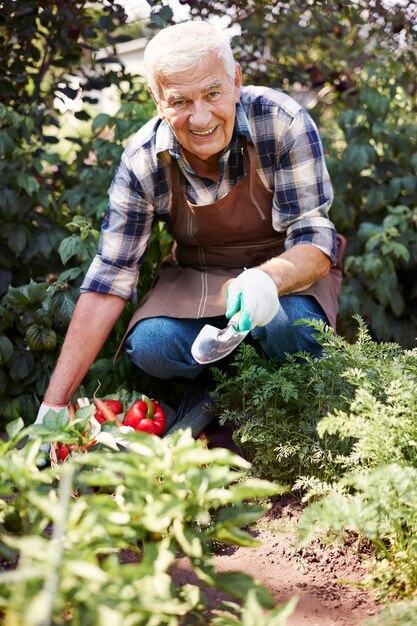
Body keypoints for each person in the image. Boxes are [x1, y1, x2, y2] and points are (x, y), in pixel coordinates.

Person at [35, 21, 343, 439]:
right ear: (157, 100)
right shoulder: (144, 161)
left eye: (213, 93)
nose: (201, 118)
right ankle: (226, 384)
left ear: (235, 81)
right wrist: (54, 404)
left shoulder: (281, 122)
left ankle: (255, 394)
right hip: (201, 277)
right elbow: (111, 276)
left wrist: (266, 280)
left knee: (287, 329)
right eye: (180, 100)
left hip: (288, 278)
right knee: (152, 344)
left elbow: (313, 239)